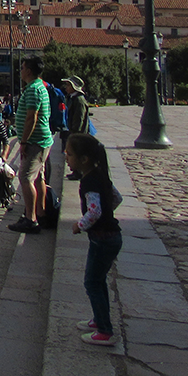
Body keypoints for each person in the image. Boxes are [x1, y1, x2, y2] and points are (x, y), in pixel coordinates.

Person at [66, 133, 124, 347]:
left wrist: (79, 225)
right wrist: (108, 215)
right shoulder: (101, 174)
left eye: (70, 154)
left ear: (84, 160)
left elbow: (95, 211)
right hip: (111, 236)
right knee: (98, 281)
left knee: (92, 282)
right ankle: (99, 319)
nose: (66, 158)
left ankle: (105, 331)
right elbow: (116, 198)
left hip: (102, 239)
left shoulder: (88, 181)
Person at [9, 56, 53, 234]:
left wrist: (24, 141)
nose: (20, 70)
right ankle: (40, 213)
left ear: (29, 70)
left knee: (25, 178)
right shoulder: (38, 86)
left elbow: (31, 117)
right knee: (38, 177)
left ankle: (30, 219)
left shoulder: (34, 89)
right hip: (40, 140)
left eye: (22, 67)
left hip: (35, 141)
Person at [63, 75, 90, 179]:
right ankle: (75, 171)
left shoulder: (79, 100)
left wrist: (75, 133)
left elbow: (79, 118)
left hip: (78, 132)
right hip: (73, 130)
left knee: (78, 152)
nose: (66, 87)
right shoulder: (73, 98)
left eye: (68, 85)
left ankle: (78, 172)